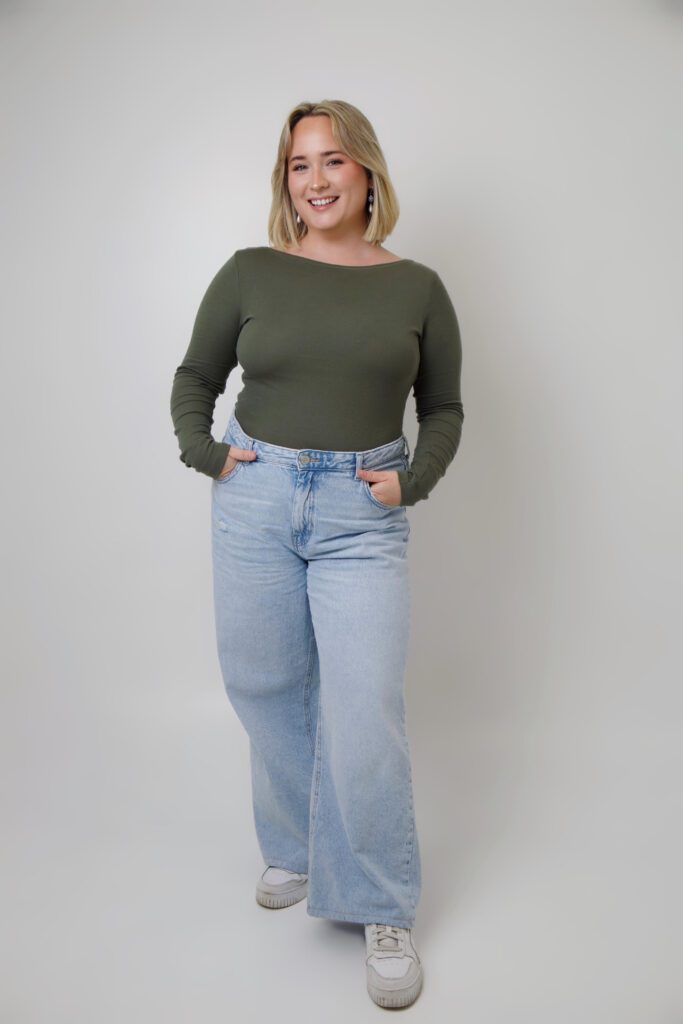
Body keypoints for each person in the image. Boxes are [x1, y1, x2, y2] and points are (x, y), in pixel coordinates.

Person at [169, 99, 464, 1010]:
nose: (316, 179)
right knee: (263, 682)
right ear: (285, 182)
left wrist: (412, 481)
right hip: (255, 494)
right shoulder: (249, 271)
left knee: (363, 704)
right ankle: (296, 847)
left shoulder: (416, 287)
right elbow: (196, 377)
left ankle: (377, 900)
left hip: (359, 509)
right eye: (299, 165)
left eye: (333, 160)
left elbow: (443, 407)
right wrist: (207, 453)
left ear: (366, 172)